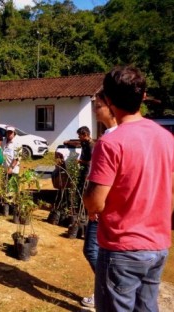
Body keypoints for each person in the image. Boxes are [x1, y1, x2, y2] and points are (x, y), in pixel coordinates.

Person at [83, 65, 174, 312]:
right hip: (158, 245)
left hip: (122, 248)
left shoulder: (111, 142)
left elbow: (95, 203)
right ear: (143, 97)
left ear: (109, 100)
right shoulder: (166, 138)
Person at [80, 88, 117, 309]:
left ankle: (105, 291)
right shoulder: (106, 137)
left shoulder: (110, 139)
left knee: (93, 250)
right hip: (105, 208)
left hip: (102, 208)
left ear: (112, 106)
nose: (95, 107)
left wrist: (93, 205)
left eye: (99, 103)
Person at [76, 126, 94, 196]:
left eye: (79, 135)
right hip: (83, 168)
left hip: (88, 170)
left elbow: (91, 161)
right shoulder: (84, 142)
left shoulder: (91, 146)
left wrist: (80, 161)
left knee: (85, 187)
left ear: (85, 135)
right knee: (80, 186)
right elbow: (77, 142)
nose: (78, 137)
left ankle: (84, 205)